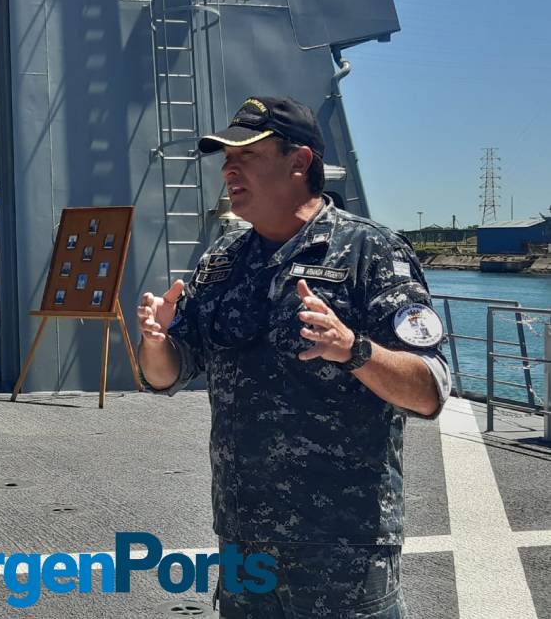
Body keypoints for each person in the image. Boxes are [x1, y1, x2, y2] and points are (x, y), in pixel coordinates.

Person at [137, 96, 451, 618]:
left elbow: (429, 392)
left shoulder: (370, 253)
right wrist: (155, 342)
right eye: (225, 158)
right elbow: (167, 375)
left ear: (299, 162)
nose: (229, 168)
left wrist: (354, 350)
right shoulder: (222, 263)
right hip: (243, 541)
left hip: (342, 548)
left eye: (247, 155)